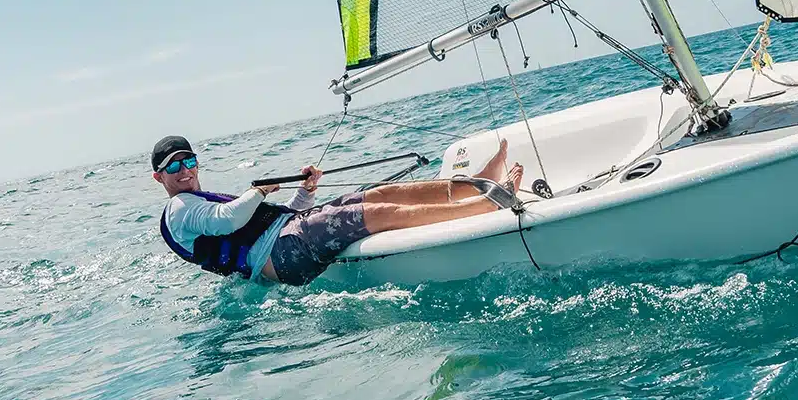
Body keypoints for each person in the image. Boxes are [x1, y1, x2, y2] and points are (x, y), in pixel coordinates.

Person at [152, 134, 522, 287]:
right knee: (373, 214)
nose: (184, 171)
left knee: (380, 194)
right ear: (159, 177)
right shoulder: (179, 209)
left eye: (189, 162)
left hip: (289, 234)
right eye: (173, 167)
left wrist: (305, 192)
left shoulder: (198, 199)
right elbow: (229, 220)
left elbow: (281, 217)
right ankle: (484, 204)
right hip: (280, 256)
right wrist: (257, 191)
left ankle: (476, 183)